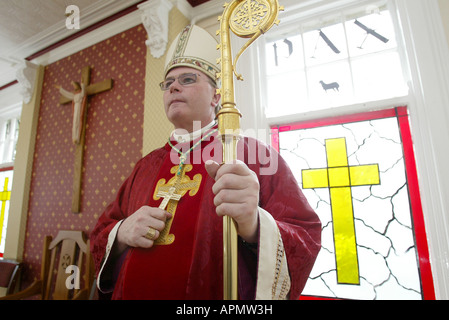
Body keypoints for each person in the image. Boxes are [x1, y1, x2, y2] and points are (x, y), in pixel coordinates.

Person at [90, 25, 321, 300]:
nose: (173, 86)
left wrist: (254, 224)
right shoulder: (146, 165)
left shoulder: (253, 155)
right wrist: (121, 233)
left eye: (187, 79)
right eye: (168, 83)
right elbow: (101, 232)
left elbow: (305, 238)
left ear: (216, 97)